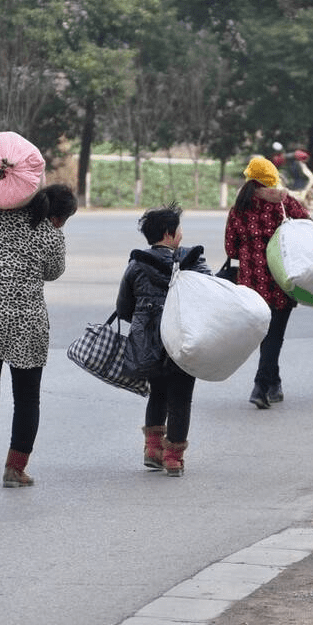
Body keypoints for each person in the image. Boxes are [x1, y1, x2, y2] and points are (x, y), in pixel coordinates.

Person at [0, 183, 76, 487]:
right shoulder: (49, 232)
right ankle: (14, 469)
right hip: (24, 320)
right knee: (26, 399)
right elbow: (53, 271)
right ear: (59, 217)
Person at [117, 202, 212, 476]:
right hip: (184, 341)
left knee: (157, 394)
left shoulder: (136, 265)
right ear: (170, 233)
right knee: (181, 398)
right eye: (179, 227)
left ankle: (153, 450)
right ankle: (173, 458)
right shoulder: (192, 262)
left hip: (150, 345)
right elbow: (211, 296)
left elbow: (124, 308)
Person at [224, 155, 312, 408]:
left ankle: (274, 383)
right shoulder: (285, 204)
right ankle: (261, 387)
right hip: (281, 281)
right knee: (275, 336)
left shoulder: (239, 208)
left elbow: (231, 249)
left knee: (267, 336)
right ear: (272, 179)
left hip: (250, 285)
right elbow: (309, 232)